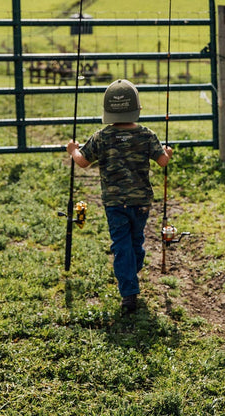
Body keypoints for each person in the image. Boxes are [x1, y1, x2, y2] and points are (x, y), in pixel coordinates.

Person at [66, 78, 172, 314]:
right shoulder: (147, 135)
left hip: (115, 204)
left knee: (122, 246)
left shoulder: (102, 137)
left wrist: (73, 150)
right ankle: (130, 280)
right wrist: (167, 152)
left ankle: (128, 291)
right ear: (138, 109)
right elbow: (162, 161)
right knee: (136, 242)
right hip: (141, 202)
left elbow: (82, 161)